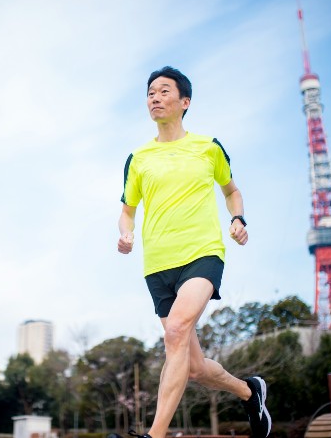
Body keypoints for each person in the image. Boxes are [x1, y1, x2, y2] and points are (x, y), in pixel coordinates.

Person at [116, 66, 271, 438]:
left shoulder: (208, 147)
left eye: (164, 91)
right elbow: (126, 210)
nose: (155, 97)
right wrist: (125, 234)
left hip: (202, 254)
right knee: (195, 367)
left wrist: (239, 218)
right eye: (150, 92)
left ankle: (154, 436)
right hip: (157, 266)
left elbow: (232, 190)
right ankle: (250, 392)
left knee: (176, 333)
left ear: (185, 102)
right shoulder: (138, 159)